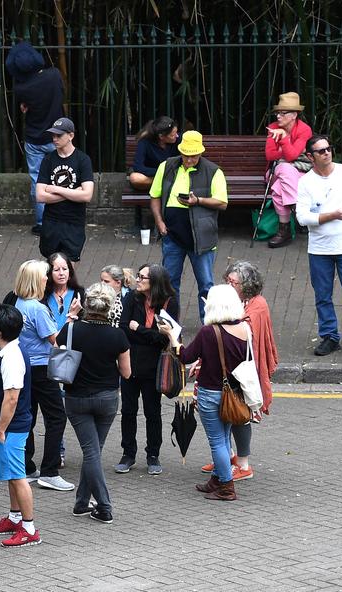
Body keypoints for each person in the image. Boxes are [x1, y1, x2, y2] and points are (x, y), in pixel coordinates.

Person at [162, 285, 251, 501]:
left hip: (211, 393)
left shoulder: (208, 332)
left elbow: (185, 356)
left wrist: (172, 336)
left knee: (217, 441)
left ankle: (226, 487)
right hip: (234, 394)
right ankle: (217, 479)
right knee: (224, 437)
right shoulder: (245, 329)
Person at [57, 286, 131, 523]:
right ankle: (93, 504)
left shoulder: (71, 329)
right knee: (93, 451)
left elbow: (58, 352)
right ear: (110, 308)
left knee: (91, 452)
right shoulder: (118, 335)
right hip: (107, 399)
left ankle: (92, 504)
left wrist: (71, 316)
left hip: (76, 399)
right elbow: (127, 373)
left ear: (86, 305)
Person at [204, 261, 277, 482]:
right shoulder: (231, 300)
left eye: (234, 282)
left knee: (240, 415)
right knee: (225, 412)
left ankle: (243, 464)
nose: (229, 285)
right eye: (227, 280)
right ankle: (227, 458)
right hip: (228, 368)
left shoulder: (258, 304)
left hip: (244, 370)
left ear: (247, 284)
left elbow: (246, 334)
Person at [149, 130, 227, 323]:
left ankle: (209, 325)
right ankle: (170, 324)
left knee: (206, 285)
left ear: (200, 153)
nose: (189, 159)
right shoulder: (166, 166)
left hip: (201, 237)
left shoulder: (213, 171)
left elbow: (222, 202)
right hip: (172, 235)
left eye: (193, 155)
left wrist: (198, 200)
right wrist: (159, 222)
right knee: (169, 283)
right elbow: (155, 195)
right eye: (186, 155)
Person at [11, 260, 72, 492]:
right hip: (42, 369)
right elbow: (56, 340)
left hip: (25, 366)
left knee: (29, 416)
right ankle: (50, 471)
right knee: (57, 417)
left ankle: (27, 466)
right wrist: (71, 317)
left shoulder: (19, 303)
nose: (48, 279)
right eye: (45, 276)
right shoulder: (37, 308)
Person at [0, 304, 40, 547]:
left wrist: (1, 429)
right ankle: (15, 517)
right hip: (9, 427)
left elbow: (12, 397)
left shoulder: (12, 358)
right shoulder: (8, 352)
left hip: (12, 429)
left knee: (18, 476)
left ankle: (29, 528)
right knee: (11, 474)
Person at [115, 264, 175, 476]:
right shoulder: (132, 298)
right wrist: (148, 333)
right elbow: (123, 327)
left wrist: (138, 328)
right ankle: (128, 453)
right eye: (138, 276)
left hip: (154, 367)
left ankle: (153, 455)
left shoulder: (169, 302)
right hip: (130, 364)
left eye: (143, 278)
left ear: (155, 282)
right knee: (128, 411)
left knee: (153, 411)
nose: (138, 280)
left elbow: (164, 339)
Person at [6, 40, 64, 233]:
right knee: (61, 177)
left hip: (34, 138)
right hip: (57, 136)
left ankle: (42, 222)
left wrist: (26, 107)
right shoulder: (54, 76)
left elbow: (26, 106)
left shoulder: (21, 88)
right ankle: (60, 218)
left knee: (38, 180)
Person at [295, 134, 342, 356]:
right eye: (321, 151)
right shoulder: (306, 182)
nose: (327, 153)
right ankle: (330, 336)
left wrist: (321, 216)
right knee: (322, 296)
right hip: (319, 249)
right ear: (310, 157)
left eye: (329, 148)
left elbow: (309, 217)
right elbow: (302, 218)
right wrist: (332, 215)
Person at [36, 118, 95, 261]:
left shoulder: (83, 160)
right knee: (51, 267)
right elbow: (40, 196)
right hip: (51, 220)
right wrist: (74, 192)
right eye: (53, 136)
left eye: (59, 136)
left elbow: (87, 195)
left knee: (70, 268)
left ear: (71, 136)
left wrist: (55, 189)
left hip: (73, 221)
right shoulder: (48, 160)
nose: (55, 139)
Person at [265, 92, 314, 249]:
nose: (278, 116)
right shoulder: (273, 127)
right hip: (273, 172)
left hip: (299, 174)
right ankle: (297, 211)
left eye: (282, 113)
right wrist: (287, 152)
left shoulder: (304, 130)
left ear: (294, 115)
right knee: (285, 168)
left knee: (279, 189)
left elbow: (292, 156)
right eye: (277, 112)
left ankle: (284, 230)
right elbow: (270, 155)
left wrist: (284, 139)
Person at [129, 116, 179, 191]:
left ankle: (168, 183)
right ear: (161, 136)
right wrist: (162, 172)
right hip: (153, 176)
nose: (177, 135)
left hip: (174, 175)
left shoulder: (178, 139)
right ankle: (167, 183)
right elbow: (138, 167)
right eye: (172, 135)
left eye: (176, 132)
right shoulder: (144, 142)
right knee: (135, 178)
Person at [44, 252, 85, 332]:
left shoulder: (79, 293)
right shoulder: (43, 294)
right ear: (49, 273)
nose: (61, 273)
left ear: (70, 272)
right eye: (56, 270)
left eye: (65, 269)